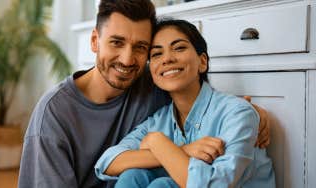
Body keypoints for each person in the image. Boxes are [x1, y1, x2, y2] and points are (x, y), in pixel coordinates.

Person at [18, 0, 270, 187]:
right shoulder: (53, 115)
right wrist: (180, 150)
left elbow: (201, 97)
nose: (128, 60)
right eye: (116, 42)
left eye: (141, 47)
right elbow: (106, 163)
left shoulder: (154, 82)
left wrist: (252, 112)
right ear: (95, 41)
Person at [94, 19, 275, 188]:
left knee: (162, 185)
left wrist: (156, 142)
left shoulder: (237, 113)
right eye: (157, 54)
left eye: (179, 48)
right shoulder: (160, 119)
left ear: (202, 62)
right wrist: (183, 151)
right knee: (132, 176)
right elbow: (107, 162)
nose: (167, 59)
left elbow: (215, 184)